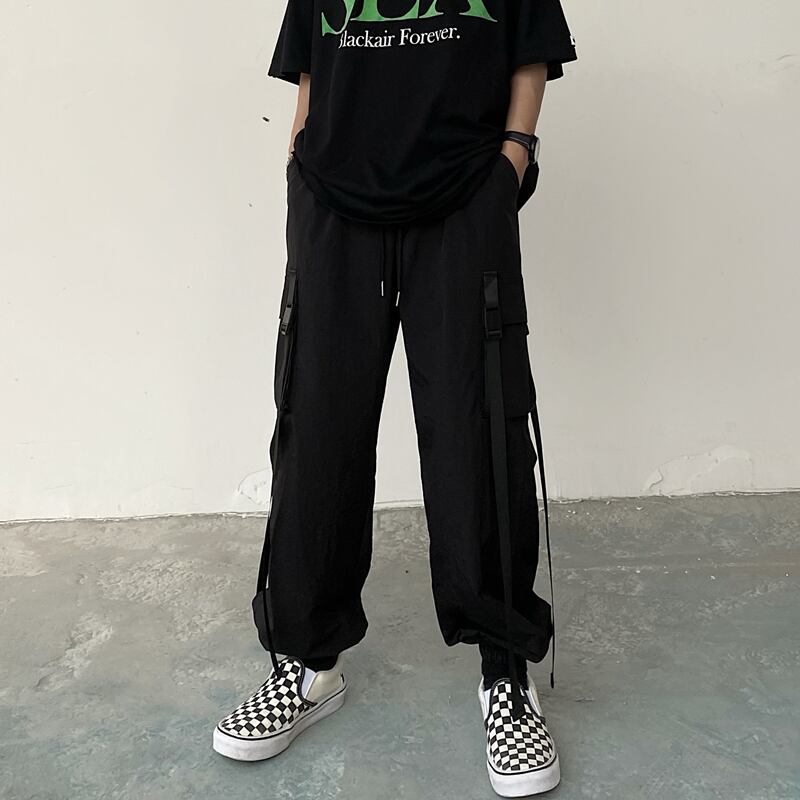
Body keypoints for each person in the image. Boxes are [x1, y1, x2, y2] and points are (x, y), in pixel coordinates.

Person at [213, 1, 577, 795]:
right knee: (318, 427)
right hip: (333, 200)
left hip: (464, 194)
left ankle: (505, 672)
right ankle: (306, 662)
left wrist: (513, 156)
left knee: (477, 427)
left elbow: (530, 49)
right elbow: (311, 64)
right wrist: (300, 157)